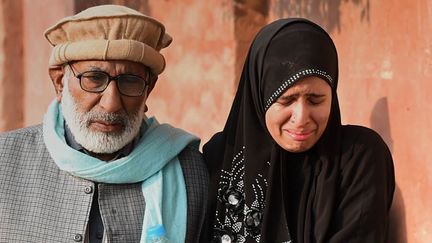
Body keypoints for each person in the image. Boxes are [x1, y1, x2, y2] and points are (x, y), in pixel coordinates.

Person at [0, 5, 208, 243]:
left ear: (148, 90)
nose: (111, 104)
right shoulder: (4, 160)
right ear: (59, 83)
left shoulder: (189, 172)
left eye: (130, 81)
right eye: (94, 78)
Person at [202, 18, 395, 243]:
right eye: (286, 100)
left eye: (315, 100)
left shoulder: (358, 157)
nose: (301, 118)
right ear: (260, 98)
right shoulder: (220, 157)